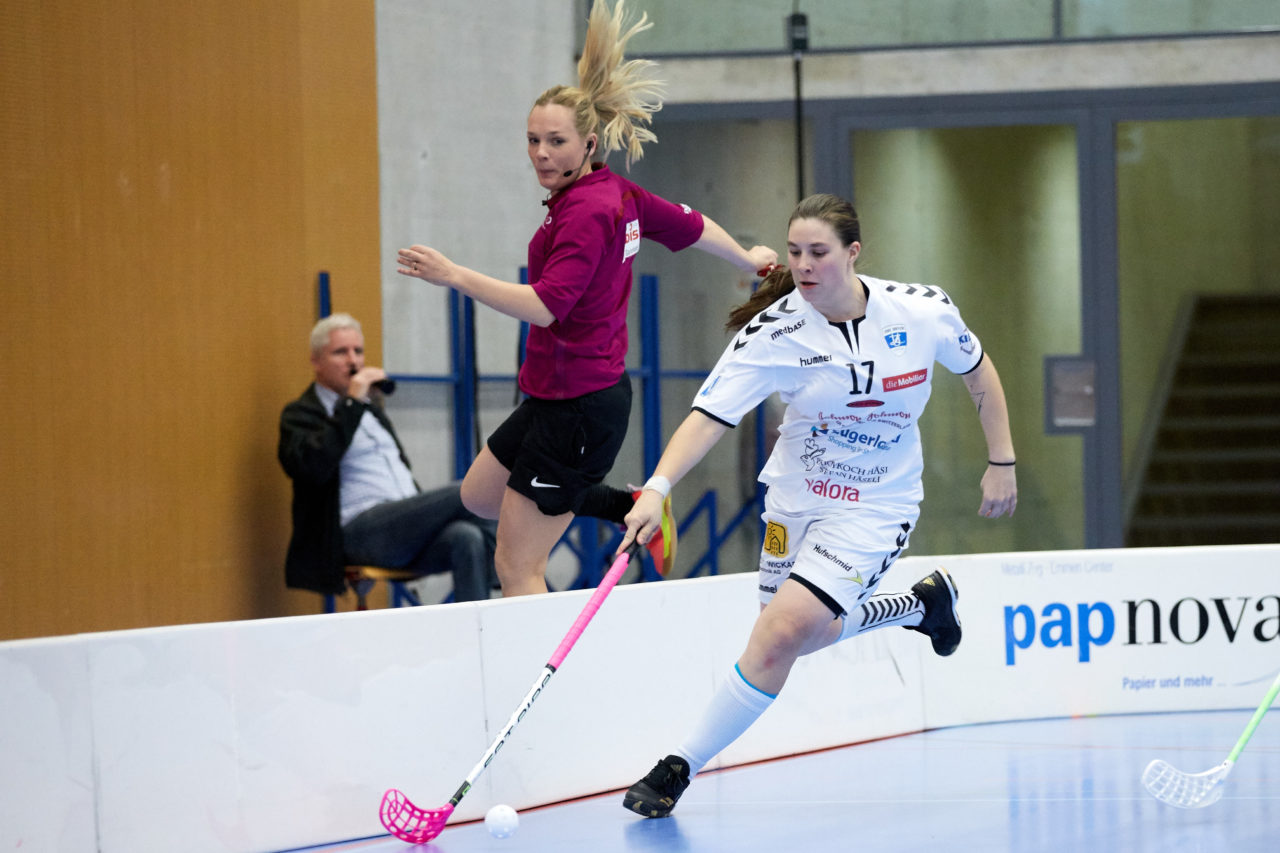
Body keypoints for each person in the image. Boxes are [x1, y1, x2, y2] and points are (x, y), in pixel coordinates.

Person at [618, 193, 1018, 817]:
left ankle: (677, 768)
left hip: (876, 505)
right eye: (796, 253)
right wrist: (657, 489)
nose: (803, 266)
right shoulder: (773, 331)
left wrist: (1002, 461)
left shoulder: (920, 311)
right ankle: (919, 605)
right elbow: (708, 419)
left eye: (819, 254)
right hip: (795, 499)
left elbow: (978, 371)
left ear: (853, 253)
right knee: (795, 637)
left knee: (779, 635)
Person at [396, 0, 777, 597]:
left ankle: (544, 685)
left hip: (580, 408)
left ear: (589, 143)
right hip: (552, 396)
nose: (542, 153)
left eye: (555, 142)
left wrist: (455, 275)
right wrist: (746, 256)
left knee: (516, 566)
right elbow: (690, 223)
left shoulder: (590, 212)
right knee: (479, 495)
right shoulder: (614, 194)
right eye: (533, 141)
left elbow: (546, 307)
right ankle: (628, 503)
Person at [278, 313, 497, 603]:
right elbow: (312, 467)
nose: (353, 361)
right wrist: (351, 403)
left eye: (358, 351)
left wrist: (360, 404)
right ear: (316, 361)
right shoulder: (301, 414)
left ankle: (480, 633)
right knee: (467, 491)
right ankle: (521, 578)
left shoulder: (371, 410)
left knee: (466, 537)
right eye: (340, 352)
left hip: (404, 529)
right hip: (359, 533)